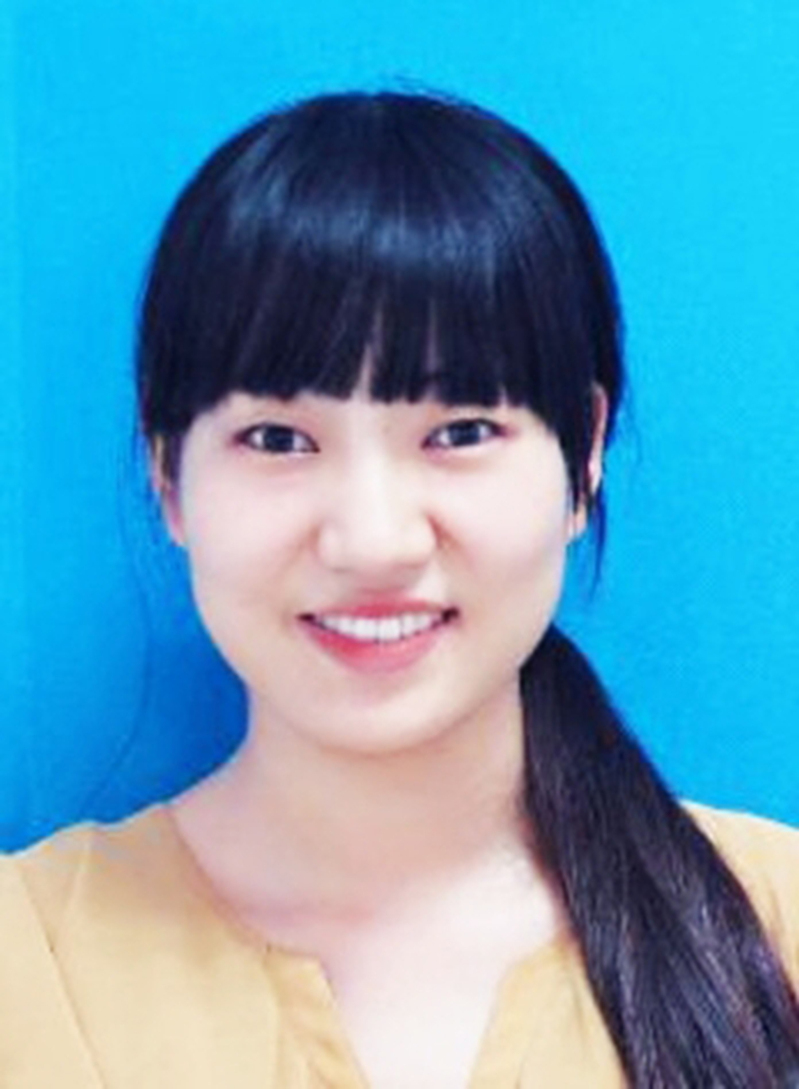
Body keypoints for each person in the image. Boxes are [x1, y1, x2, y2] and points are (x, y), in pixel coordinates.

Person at [1, 90, 798, 1089]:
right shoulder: (25, 957)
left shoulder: (776, 924)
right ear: (168, 474)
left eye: (460, 431)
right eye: (278, 439)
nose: (373, 541)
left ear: (584, 454)